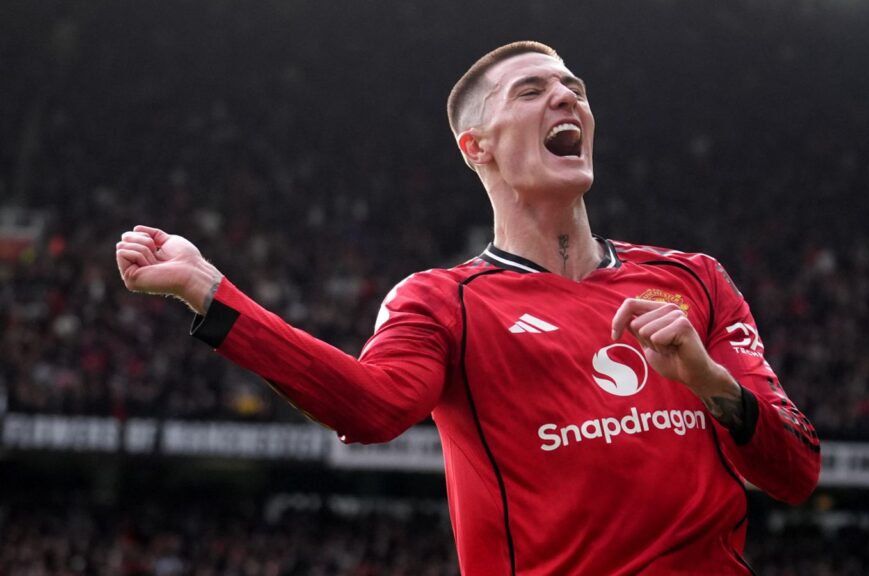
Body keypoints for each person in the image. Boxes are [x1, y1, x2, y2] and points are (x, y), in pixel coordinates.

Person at [116, 41, 820, 575]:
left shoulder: (695, 280)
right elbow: (370, 410)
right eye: (533, 90)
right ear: (476, 146)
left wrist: (710, 383)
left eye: (575, 88)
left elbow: (796, 473)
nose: (567, 98)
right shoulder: (441, 301)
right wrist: (211, 291)